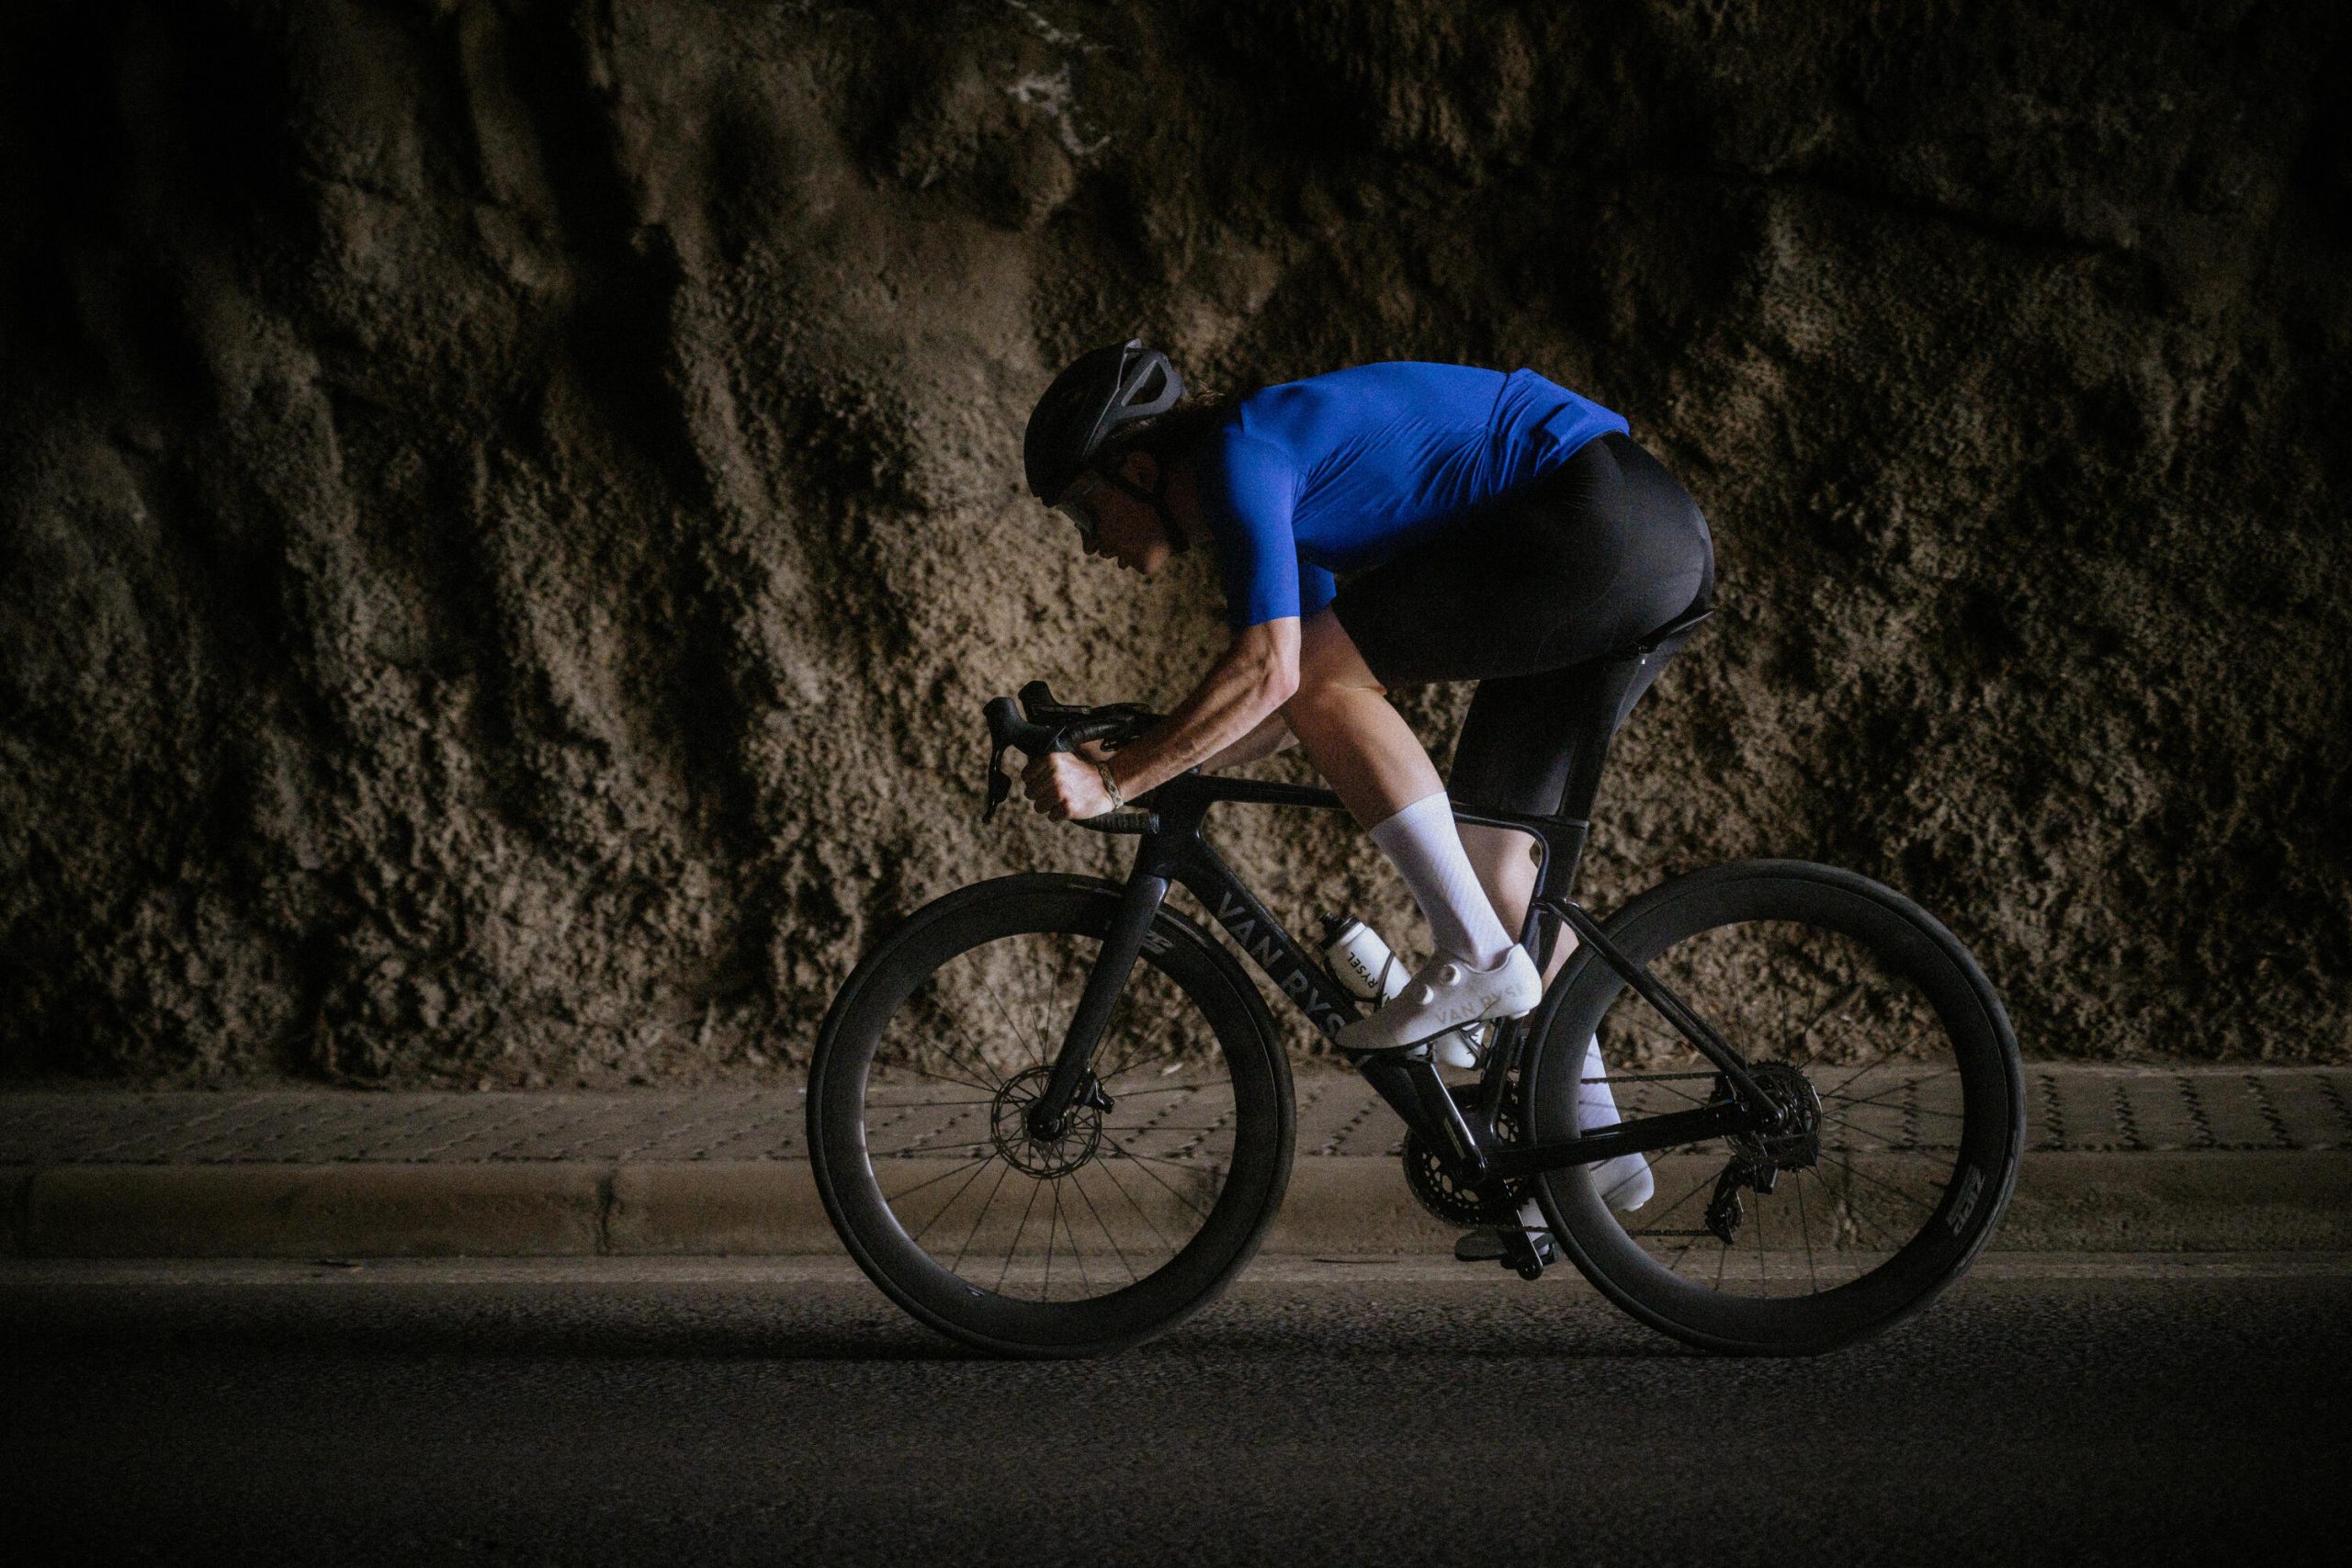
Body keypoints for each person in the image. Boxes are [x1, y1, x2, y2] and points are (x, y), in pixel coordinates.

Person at [1017, 342, 1715, 1213]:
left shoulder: (1241, 453)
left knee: (1330, 689)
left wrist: (1119, 780)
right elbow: (1285, 706)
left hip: (1596, 518)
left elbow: (1278, 673)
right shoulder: (1267, 490)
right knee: (1496, 861)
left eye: (1085, 512)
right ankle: (1597, 1155)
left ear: (1138, 468)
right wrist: (1150, 758)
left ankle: (1477, 958)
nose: (1090, 545)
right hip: (1637, 536)